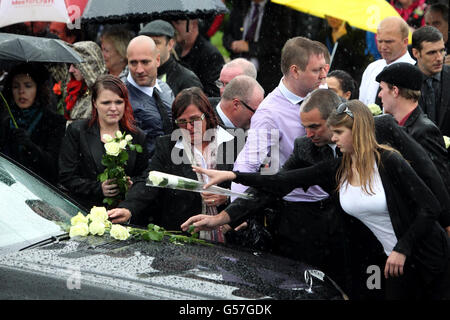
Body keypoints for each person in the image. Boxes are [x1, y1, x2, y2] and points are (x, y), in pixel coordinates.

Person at [183, 100, 450, 300]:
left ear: (354, 131)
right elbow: (280, 182)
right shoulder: (332, 162)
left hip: (423, 252)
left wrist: (408, 244)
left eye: (332, 130)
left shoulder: (387, 152)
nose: (326, 137)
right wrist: (231, 182)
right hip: (379, 257)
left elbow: (429, 192)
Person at [107, 88, 239, 240]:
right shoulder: (168, 146)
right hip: (183, 235)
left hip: (230, 235)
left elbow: (250, 186)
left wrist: (227, 199)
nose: (190, 127)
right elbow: (150, 181)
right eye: (182, 122)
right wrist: (128, 208)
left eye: (195, 120)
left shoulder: (233, 142)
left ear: (207, 115)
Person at [58, 74, 149, 211]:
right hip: (85, 211)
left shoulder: (137, 136)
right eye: (106, 103)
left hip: (123, 213)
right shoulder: (77, 131)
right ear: (94, 103)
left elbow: (144, 177)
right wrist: (98, 187)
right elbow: (66, 177)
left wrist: (131, 185)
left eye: (119, 102)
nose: (113, 108)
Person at [0, 63, 66, 184]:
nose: (21, 91)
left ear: (38, 89)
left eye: (28, 86)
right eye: (16, 86)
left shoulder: (54, 122)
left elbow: (53, 168)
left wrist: (31, 147)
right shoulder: (6, 121)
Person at [222, 0, 292, 93]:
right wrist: (232, 44)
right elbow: (227, 34)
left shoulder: (278, 10)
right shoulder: (241, 5)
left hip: (266, 72)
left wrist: (250, 47)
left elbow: (279, 42)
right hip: (238, 64)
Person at [125, 35, 174, 158]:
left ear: (157, 60)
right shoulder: (120, 96)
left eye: (145, 62)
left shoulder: (165, 89)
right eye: (133, 63)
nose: (139, 69)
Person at [359, 17, 415, 106]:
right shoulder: (372, 68)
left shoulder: (414, 71)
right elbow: (362, 106)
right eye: (380, 41)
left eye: (388, 42)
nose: (383, 46)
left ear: (405, 42)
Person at [138, 19, 203, 96]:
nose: (151, 47)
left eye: (156, 43)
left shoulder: (186, 79)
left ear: (170, 44)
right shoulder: (136, 74)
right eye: (147, 42)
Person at [412, 26, 450, 138]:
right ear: (416, 53)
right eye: (432, 52)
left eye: (442, 51)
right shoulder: (403, 82)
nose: (439, 58)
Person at [171, 19, 225, 97]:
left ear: (194, 24)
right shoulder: (175, 51)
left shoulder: (210, 55)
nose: (173, 27)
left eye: (177, 23)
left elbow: (214, 94)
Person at [317, 16, 373, 85]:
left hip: (346, 81)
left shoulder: (356, 34)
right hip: (325, 80)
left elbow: (359, 61)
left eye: (336, 15)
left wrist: (343, 39)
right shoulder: (323, 34)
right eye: (329, 15)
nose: (332, 18)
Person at [65, 41, 107, 124]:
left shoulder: (105, 94)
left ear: (89, 65)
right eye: (70, 65)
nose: (70, 70)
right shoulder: (78, 89)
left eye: (76, 65)